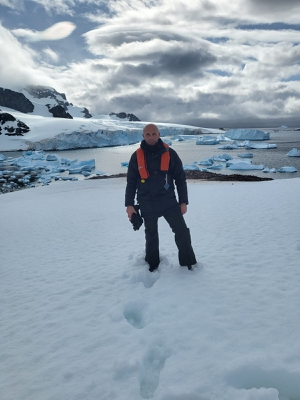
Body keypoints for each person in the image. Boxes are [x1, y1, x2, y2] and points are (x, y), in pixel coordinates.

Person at [125, 123, 197, 272]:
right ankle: (152, 265)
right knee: (151, 236)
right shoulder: (136, 156)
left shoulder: (170, 153)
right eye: (148, 134)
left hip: (168, 201)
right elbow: (131, 182)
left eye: (154, 134)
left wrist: (183, 201)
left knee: (182, 231)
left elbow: (180, 178)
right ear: (143, 136)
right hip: (146, 202)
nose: (151, 137)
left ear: (159, 135)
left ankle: (188, 263)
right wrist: (129, 204)